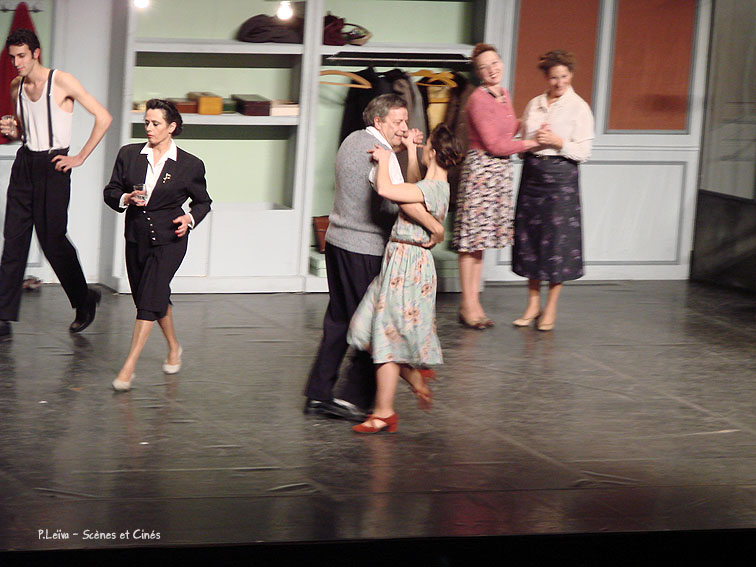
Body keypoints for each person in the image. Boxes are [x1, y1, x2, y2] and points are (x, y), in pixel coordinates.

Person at [303, 94, 444, 421]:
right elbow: (403, 200)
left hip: (337, 243)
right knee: (371, 325)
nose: (404, 127)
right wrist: (434, 226)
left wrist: (407, 150)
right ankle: (357, 398)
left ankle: (319, 394)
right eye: (398, 122)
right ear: (379, 121)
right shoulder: (381, 155)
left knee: (340, 321)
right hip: (363, 249)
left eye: (406, 121)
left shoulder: (352, 140)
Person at [348, 124, 463, 434]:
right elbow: (413, 185)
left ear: (433, 153)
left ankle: (383, 412)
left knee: (386, 336)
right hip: (398, 259)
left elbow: (388, 190)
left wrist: (386, 159)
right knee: (364, 329)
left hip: (409, 265)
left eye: (426, 146)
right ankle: (413, 375)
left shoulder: (432, 189)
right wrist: (411, 150)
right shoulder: (431, 186)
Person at [0, 29, 112, 340]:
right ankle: (3, 316)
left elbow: (103, 117)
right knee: (14, 239)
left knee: (52, 240)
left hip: (53, 165)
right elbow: (23, 132)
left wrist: (79, 157)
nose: (17, 63)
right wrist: (12, 131)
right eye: (12, 57)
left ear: (36, 53)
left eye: (22, 56)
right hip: (25, 164)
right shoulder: (16, 87)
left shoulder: (62, 81)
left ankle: (83, 298)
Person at [104, 99, 211, 391]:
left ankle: (128, 368)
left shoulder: (189, 165)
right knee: (151, 297)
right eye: (147, 123)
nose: (149, 128)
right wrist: (125, 198)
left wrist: (189, 219)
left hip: (170, 240)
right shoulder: (129, 155)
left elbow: (203, 202)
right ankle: (174, 347)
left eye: (155, 123)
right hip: (136, 238)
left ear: (171, 127)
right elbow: (111, 190)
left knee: (148, 301)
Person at [452, 43, 539, 329]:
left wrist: (528, 121)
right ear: (478, 73)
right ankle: (468, 305)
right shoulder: (477, 99)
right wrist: (531, 143)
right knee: (471, 243)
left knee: (480, 243)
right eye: (484, 67)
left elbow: (505, 130)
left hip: (498, 173)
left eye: (495, 63)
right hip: (482, 172)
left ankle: (474, 303)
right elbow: (494, 144)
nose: (492, 69)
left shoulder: (503, 94)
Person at [512, 50, 595, 331]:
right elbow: (522, 144)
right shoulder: (534, 104)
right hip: (532, 174)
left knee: (557, 242)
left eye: (564, 76)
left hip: (561, 177)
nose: (559, 82)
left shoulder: (579, 107)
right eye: (554, 77)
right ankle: (533, 304)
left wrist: (558, 142)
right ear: (546, 78)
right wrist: (531, 141)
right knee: (531, 239)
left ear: (571, 75)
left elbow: (584, 152)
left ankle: (551, 308)